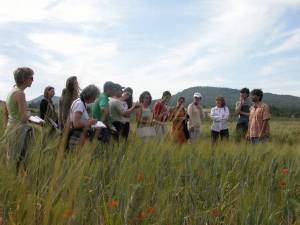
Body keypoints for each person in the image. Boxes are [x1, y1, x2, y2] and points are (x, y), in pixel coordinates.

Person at [3, 67, 34, 173]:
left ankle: (10, 182)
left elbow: (8, 112)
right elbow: (24, 117)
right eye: (31, 78)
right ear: (24, 79)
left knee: (10, 157)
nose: (32, 80)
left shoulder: (13, 90)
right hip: (18, 130)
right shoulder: (20, 94)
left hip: (11, 127)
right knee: (15, 158)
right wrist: (29, 114)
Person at [67, 85, 100, 149]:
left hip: (78, 134)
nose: (95, 100)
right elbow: (76, 124)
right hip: (77, 135)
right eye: (95, 97)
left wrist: (89, 120)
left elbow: (79, 119)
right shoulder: (80, 104)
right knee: (76, 156)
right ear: (90, 96)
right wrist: (89, 123)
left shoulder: (80, 102)